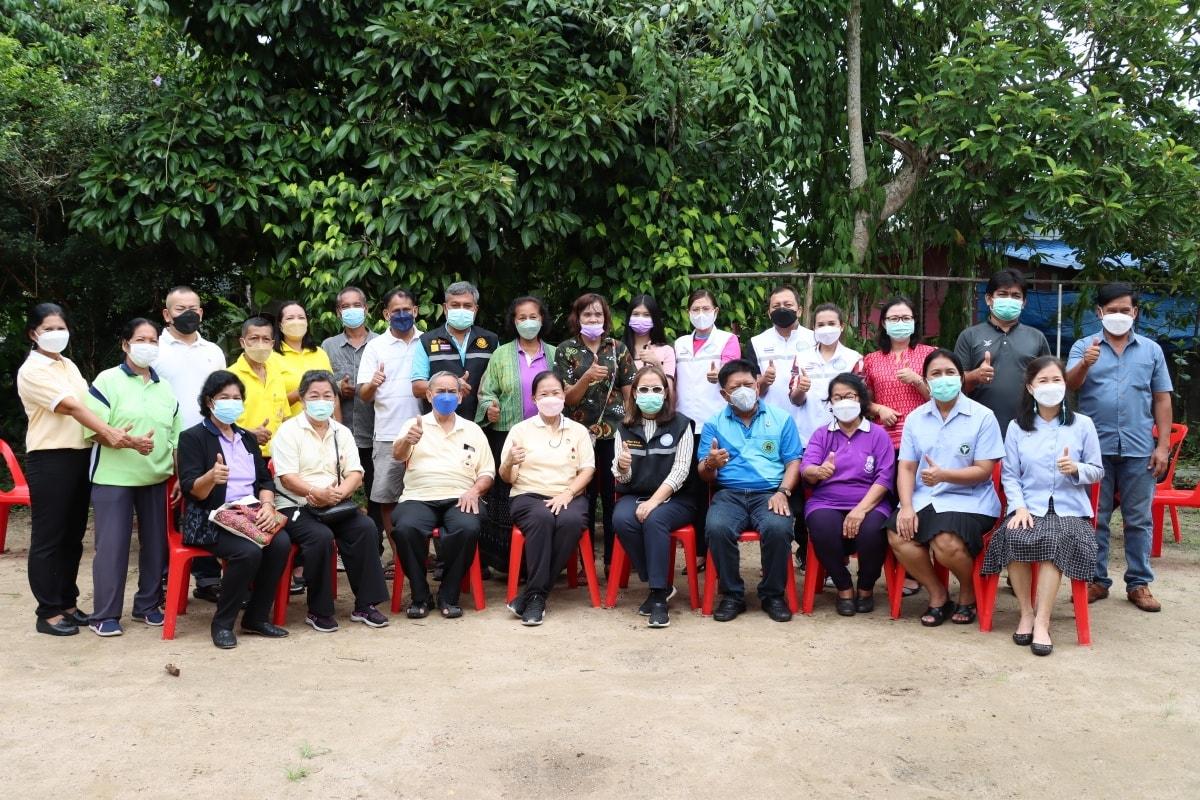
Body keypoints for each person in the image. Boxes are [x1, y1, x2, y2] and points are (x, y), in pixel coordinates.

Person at [18, 303, 141, 636]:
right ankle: (48, 612)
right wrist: (109, 432)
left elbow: (89, 403)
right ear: (33, 334)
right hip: (50, 457)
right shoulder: (32, 370)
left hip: (80, 455)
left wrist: (116, 431)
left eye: (61, 328)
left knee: (73, 536)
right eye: (48, 329)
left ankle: (68, 604)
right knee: (49, 537)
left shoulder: (67, 364)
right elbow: (71, 406)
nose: (56, 334)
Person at [982, 357, 1103, 656]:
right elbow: (1010, 475)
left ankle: (1042, 621)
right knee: (1013, 535)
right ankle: (1026, 612)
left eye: (1057, 380)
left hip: (1070, 509)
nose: (1051, 386)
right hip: (1030, 507)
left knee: (1056, 539)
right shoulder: (1017, 427)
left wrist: (1076, 469)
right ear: (1030, 387)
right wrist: (1019, 508)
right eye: (1043, 381)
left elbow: (1097, 470)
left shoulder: (1083, 425)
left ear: (1065, 384)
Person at [1067, 282, 1174, 612]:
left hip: (1140, 448)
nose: (1118, 315)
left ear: (1135, 312)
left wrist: (1163, 447)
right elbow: (1068, 386)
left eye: (1124, 310)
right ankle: (1096, 580)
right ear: (1099, 312)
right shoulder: (1084, 347)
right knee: (1095, 518)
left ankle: (1139, 583)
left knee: (1138, 518)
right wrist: (1085, 364)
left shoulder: (1151, 351)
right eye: (1111, 310)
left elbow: (1162, 398)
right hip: (1093, 449)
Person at [886, 349, 1004, 627]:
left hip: (970, 499)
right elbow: (906, 467)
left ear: (961, 378)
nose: (943, 379)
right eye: (936, 374)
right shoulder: (915, 418)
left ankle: (967, 592)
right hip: (925, 497)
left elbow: (984, 471)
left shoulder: (983, 416)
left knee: (945, 542)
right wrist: (906, 506)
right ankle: (938, 593)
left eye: (950, 373)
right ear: (926, 380)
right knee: (898, 535)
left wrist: (944, 476)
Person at [178, 370, 293, 649]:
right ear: (210, 401)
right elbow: (192, 489)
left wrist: (268, 505)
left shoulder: (246, 438)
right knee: (247, 551)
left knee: (280, 543)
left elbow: (264, 481)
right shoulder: (192, 437)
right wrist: (211, 477)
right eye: (224, 397)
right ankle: (222, 623)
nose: (231, 402)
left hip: (248, 513)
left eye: (236, 397)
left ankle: (255, 617)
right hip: (208, 518)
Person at [272, 370, 391, 632]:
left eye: (328, 396)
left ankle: (366, 605)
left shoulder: (341, 432)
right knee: (320, 537)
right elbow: (287, 478)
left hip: (335, 502)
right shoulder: (288, 431)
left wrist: (340, 492)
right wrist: (316, 492)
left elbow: (356, 473)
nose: (322, 401)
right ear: (302, 398)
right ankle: (319, 610)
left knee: (365, 528)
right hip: (296, 504)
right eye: (314, 395)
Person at [84, 318, 181, 636]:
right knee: (112, 547)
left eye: (153, 341)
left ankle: (147, 605)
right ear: (125, 344)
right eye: (141, 340)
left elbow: (175, 437)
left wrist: (180, 475)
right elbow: (92, 430)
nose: (148, 346)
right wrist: (126, 441)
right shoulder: (107, 381)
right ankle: (105, 614)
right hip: (114, 479)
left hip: (156, 478)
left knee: (156, 546)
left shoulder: (165, 387)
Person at [698, 359, 803, 623]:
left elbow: (793, 462)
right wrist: (710, 464)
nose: (744, 390)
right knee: (717, 528)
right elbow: (704, 474)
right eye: (736, 387)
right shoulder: (713, 424)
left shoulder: (781, 419)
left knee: (778, 528)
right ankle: (732, 595)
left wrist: (783, 492)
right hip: (729, 493)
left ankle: (773, 595)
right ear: (724, 394)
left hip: (770, 493)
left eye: (748, 384)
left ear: (757, 386)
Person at [391, 372, 496, 619]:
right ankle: (420, 595)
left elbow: (488, 472)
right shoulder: (414, 424)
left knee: (468, 527)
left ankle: (449, 593)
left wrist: (475, 490)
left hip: (461, 496)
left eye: (451, 392)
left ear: (460, 397)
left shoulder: (472, 430)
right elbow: (398, 455)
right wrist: (408, 441)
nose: (446, 396)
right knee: (405, 529)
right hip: (418, 496)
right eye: (440, 391)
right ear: (429, 395)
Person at [499, 371, 596, 626]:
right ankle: (537, 596)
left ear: (564, 395)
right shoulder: (520, 430)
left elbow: (588, 469)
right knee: (542, 517)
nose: (551, 398)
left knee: (571, 521)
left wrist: (568, 493)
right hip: (528, 495)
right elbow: (507, 477)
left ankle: (533, 595)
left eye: (556, 392)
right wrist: (509, 461)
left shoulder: (578, 430)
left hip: (569, 494)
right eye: (544, 394)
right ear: (534, 398)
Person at [153, 285, 226, 603]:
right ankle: (162, 579)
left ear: (201, 312)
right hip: (164, 445)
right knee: (166, 513)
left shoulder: (213, 351)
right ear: (167, 314)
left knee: (207, 508)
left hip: (207, 444)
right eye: (180, 309)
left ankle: (207, 579)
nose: (188, 314)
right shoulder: (153, 349)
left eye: (193, 308)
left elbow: (222, 395)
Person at [553, 293, 637, 569]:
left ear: (605, 318)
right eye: (587, 314)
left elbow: (629, 390)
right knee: (583, 497)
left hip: (614, 433)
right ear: (577, 318)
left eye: (598, 314)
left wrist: (630, 422)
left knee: (613, 495)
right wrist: (587, 378)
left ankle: (613, 560)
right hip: (578, 434)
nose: (593, 319)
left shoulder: (617, 348)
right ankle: (583, 561)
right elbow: (567, 399)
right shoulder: (566, 350)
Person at [800, 373, 895, 616]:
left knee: (873, 531)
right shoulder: (822, 434)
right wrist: (817, 471)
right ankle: (843, 586)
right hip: (826, 500)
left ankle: (865, 587)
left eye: (849, 396)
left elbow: (884, 478)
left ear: (861, 399)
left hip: (870, 501)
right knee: (822, 527)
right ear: (830, 402)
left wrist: (860, 510)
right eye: (837, 397)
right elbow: (806, 468)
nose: (843, 402)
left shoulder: (878, 434)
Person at [474, 295, 556, 570]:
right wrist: (489, 407)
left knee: (541, 492)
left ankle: (543, 559)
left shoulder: (555, 354)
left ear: (542, 319)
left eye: (533, 317)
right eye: (522, 317)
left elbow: (564, 393)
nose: (528, 322)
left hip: (548, 438)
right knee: (506, 494)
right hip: (508, 437)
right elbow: (486, 391)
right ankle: (508, 562)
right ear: (514, 321)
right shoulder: (500, 355)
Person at [861, 295, 934, 598]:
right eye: (894, 318)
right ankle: (895, 569)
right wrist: (878, 409)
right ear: (884, 324)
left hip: (924, 443)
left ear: (915, 322)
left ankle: (916, 572)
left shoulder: (929, 355)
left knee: (918, 504)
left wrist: (918, 381)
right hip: (884, 443)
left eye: (906, 318)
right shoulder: (871, 359)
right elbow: (858, 399)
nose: (900, 323)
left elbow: (943, 397)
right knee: (890, 506)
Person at [612, 366, 696, 628]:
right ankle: (660, 582)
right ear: (635, 394)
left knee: (655, 519)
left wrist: (653, 502)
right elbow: (622, 478)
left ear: (666, 393)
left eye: (657, 389)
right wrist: (622, 467)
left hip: (677, 498)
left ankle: (658, 596)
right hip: (635, 493)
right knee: (621, 519)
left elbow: (680, 471)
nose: (651, 394)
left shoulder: (682, 425)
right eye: (644, 389)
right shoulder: (624, 428)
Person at [673, 289, 741, 568]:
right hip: (684, 424)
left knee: (714, 487)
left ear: (716, 312)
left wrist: (721, 375)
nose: (700, 314)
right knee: (691, 488)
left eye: (705, 309)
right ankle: (698, 550)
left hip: (716, 424)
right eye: (695, 309)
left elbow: (734, 376)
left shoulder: (727, 340)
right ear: (688, 313)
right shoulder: (680, 343)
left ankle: (714, 550)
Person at [357, 289, 423, 544]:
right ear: (386, 314)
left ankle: (423, 555)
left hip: (425, 432)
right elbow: (364, 395)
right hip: (387, 433)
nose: (402, 315)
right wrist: (373, 383)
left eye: (407, 310)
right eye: (396, 311)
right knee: (388, 498)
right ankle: (398, 556)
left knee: (425, 495)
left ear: (415, 311)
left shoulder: (427, 341)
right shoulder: (375, 347)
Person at [954, 268, 1051, 436]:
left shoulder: (1037, 337)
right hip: (979, 428)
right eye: (1002, 294)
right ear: (988, 299)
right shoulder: (969, 336)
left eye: (1016, 296)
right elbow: (954, 387)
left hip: (1027, 427)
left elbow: (1049, 383)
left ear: (1024, 302)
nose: (1009, 300)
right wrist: (975, 376)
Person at [321, 286, 380, 531]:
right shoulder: (328, 346)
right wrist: (337, 387)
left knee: (377, 492)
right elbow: (320, 384)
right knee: (339, 491)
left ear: (366, 309)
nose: (351, 310)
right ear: (338, 312)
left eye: (357, 305)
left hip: (375, 430)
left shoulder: (381, 343)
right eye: (345, 306)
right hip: (340, 432)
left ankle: (375, 543)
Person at [410, 281, 498, 420]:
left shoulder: (491, 341)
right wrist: (451, 385)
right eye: (455, 305)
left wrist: (493, 407)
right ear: (445, 308)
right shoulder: (427, 341)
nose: (461, 310)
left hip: (481, 424)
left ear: (475, 309)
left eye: (467, 306)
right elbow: (417, 388)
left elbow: (500, 385)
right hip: (439, 424)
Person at [790, 303, 864, 445]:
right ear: (814, 328)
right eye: (821, 325)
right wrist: (801, 389)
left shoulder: (854, 359)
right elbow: (795, 400)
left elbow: (860, 400)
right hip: (808, 438)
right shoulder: (802, 358)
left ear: (841, 326)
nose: (826, 328)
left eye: (831, 323)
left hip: (845, 437)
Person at [228, 317, 291, 457]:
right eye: (254, 338)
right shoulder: (230, 377)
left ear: (272, 344)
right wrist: (248, 434)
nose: (260, 344)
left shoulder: (276, 375)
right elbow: (219, 424)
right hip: (242, 454)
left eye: (266, 339)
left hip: (277, 456)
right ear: (242, 342)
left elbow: (285, 418)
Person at [275, 300, 334, 417]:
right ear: (280, 325)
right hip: (288, 426)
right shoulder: (270, 357)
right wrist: (299, 394)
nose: (296, 322)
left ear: (307, 323)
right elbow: (268, 404)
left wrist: (337, 425)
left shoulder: (320, 353)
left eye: (301, 318)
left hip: (323, 424)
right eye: (290, 318)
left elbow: (333, 395)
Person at [622, 294, 676, 379]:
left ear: (654, 319)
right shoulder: (620, 350)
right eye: (636, 314)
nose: (640, 318)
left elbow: (669, 386)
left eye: (646, 315)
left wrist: (657, 363)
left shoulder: (666, 351)